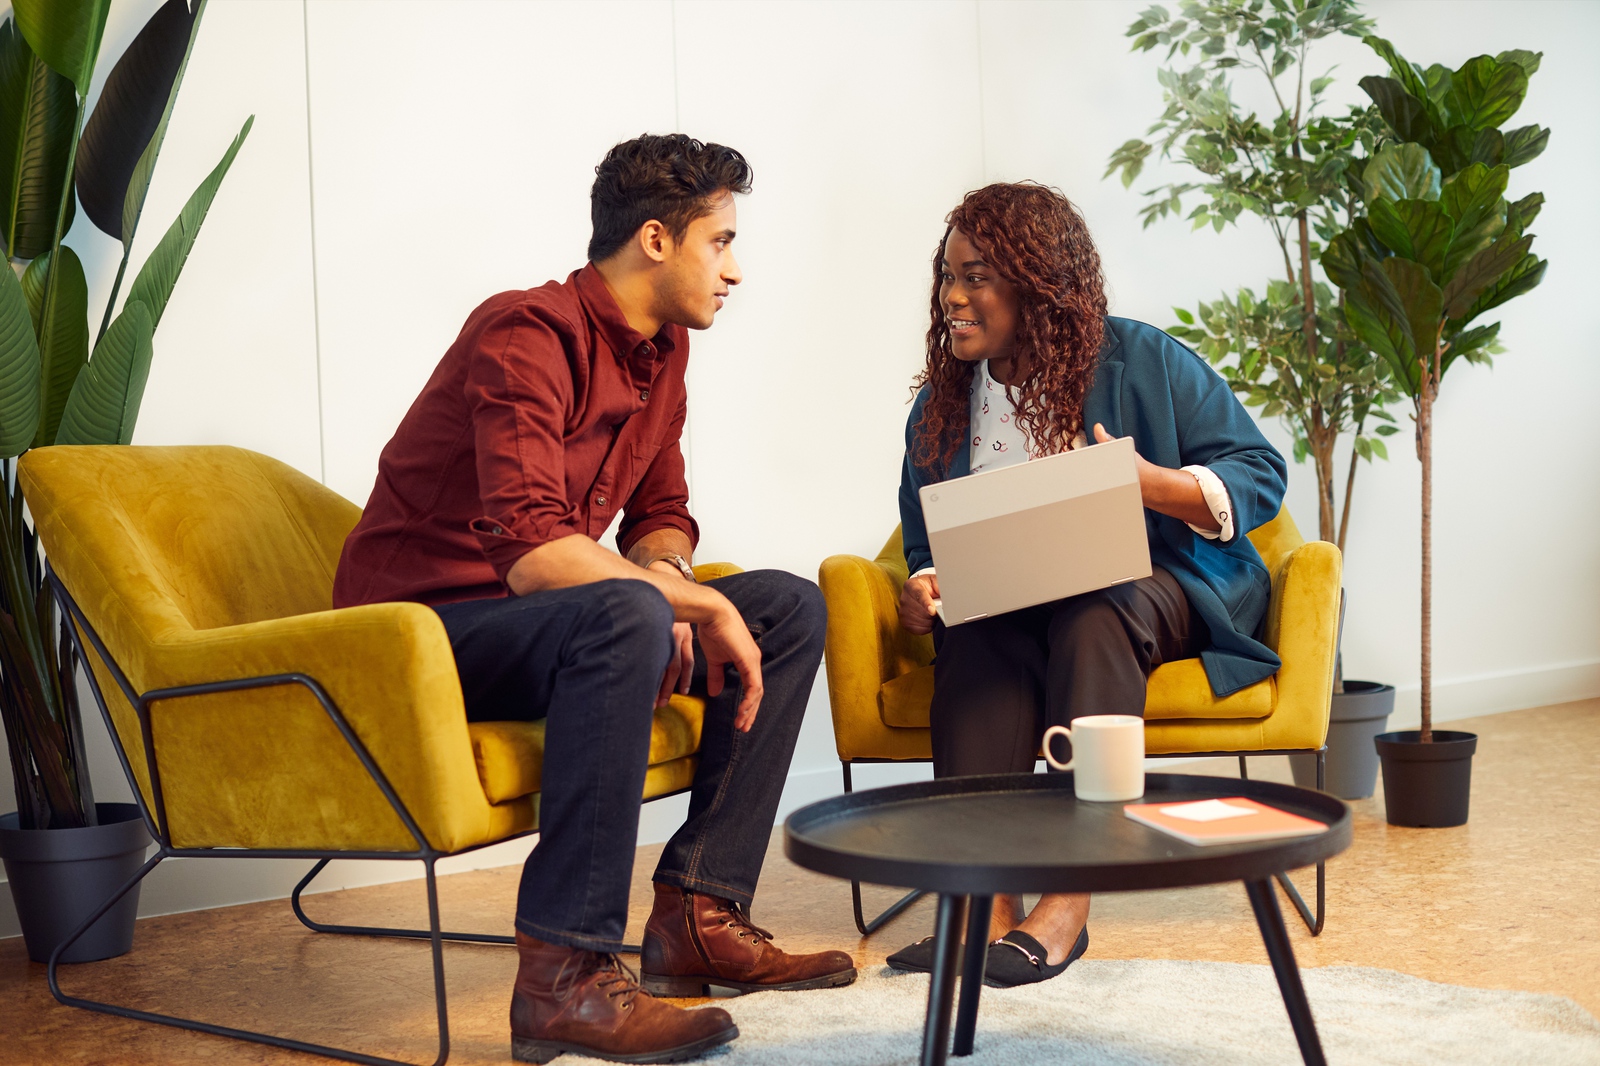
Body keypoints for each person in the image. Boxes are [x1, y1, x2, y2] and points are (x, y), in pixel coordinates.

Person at [333, 133, 854, 1065]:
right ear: (655, 239)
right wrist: (678, 605)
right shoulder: (522, 333)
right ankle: (562, 982)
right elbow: (534, 551)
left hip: (541, 627)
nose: (736, 270)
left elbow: (661, 515)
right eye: (721, 241)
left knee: (786, 606)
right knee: (632, 612)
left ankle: (699, 908)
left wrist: (680, 582)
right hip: (415, 633)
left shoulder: (666, 355)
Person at [886, 182, 1287, 987]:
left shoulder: (1141, 357)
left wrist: (1150, 483)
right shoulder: (943, 401)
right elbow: (927, 538)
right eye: (949, 275)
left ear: (1037, 286)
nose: (953, 297)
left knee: (1094, 610)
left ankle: (1068, 904)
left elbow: (1260, 472)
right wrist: (926, 588)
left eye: (977, 277)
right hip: (1016, 596)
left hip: (1159, 582)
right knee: (975, 633)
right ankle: (985, 906)